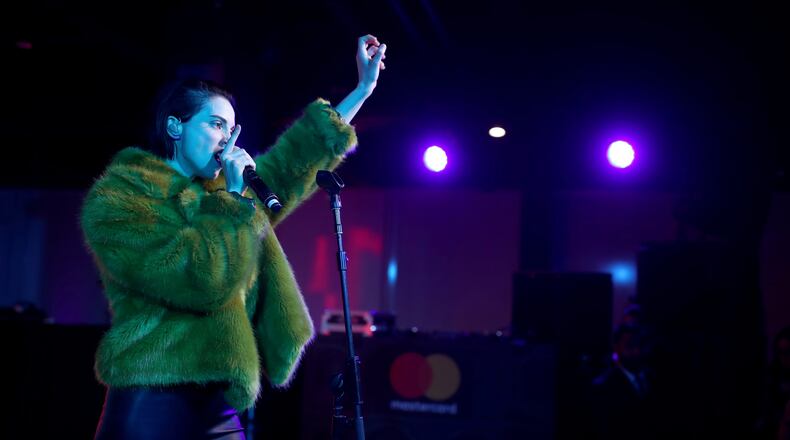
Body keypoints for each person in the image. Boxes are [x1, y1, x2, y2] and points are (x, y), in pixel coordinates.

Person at [82, 34, 387, 440]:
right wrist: (229, 199)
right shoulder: (123, 196)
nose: (226, 138)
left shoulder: (225, 197)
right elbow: (195, 276)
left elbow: (295, 162)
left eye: (231, 128)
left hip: (218, 407)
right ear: (175, 126)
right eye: (214, 124)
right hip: (151, 401)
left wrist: (361, 91)